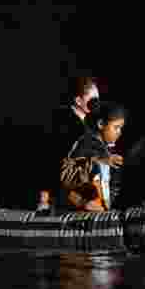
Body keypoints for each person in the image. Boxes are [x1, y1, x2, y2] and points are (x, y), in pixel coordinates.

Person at [37, 74, 100, 212]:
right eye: (93, 100)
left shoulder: (85, 124)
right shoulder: (67, 125)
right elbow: (56, 164)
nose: (97, 104)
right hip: (63, 190)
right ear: (78, 100)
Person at [59, 101, 127, 212]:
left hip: (100, 214)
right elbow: (66, 179)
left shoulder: (104, 149)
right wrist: (83, 203)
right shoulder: (84, 145)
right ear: (101, 124)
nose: (119, 132)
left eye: (120, 128)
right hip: (83, 216)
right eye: (116, 127)